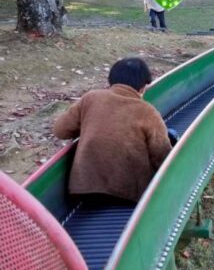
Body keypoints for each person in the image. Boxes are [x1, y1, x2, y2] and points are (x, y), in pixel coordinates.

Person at [53, 57, 173, 204]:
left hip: (83, 190)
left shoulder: (90, 98)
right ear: (142, 88)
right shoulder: (147, 111)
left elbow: (60, 131)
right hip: (128, 194)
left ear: (110, 81)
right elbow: (161, 154)